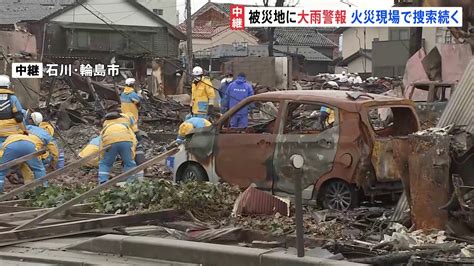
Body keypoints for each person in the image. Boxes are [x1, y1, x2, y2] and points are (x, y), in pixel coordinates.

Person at [98, 109, 138, 184]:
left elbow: (101, 142)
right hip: (126, 140)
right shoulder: (126, 122)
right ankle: (131, 183)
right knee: (129, 163)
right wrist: (132, 155)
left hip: (109, 141)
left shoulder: (106, 125)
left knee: (105, 163)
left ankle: (103, 182)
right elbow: (134, 139)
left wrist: (102, 156)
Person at [0, 75, 26, 147]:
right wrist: (25, 131)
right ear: (8, 85)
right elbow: (19, 117)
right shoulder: (12, 98)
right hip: (11, 133)